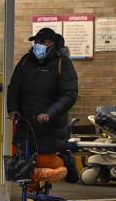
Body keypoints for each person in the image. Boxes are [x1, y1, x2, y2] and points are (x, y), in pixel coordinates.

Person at [7, 27, 78, 164]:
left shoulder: (62, 63)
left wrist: (49, 113)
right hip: (26, 127)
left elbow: (70, 94)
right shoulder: (25, 62)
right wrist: (13, 109)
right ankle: (32, 186)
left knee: (45, 164)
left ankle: (66, 161)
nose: (38, 45)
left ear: (52, 43)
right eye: (36, 41)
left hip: (50, 128)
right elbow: (14, 88)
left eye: (42, 41)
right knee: (25, 169)